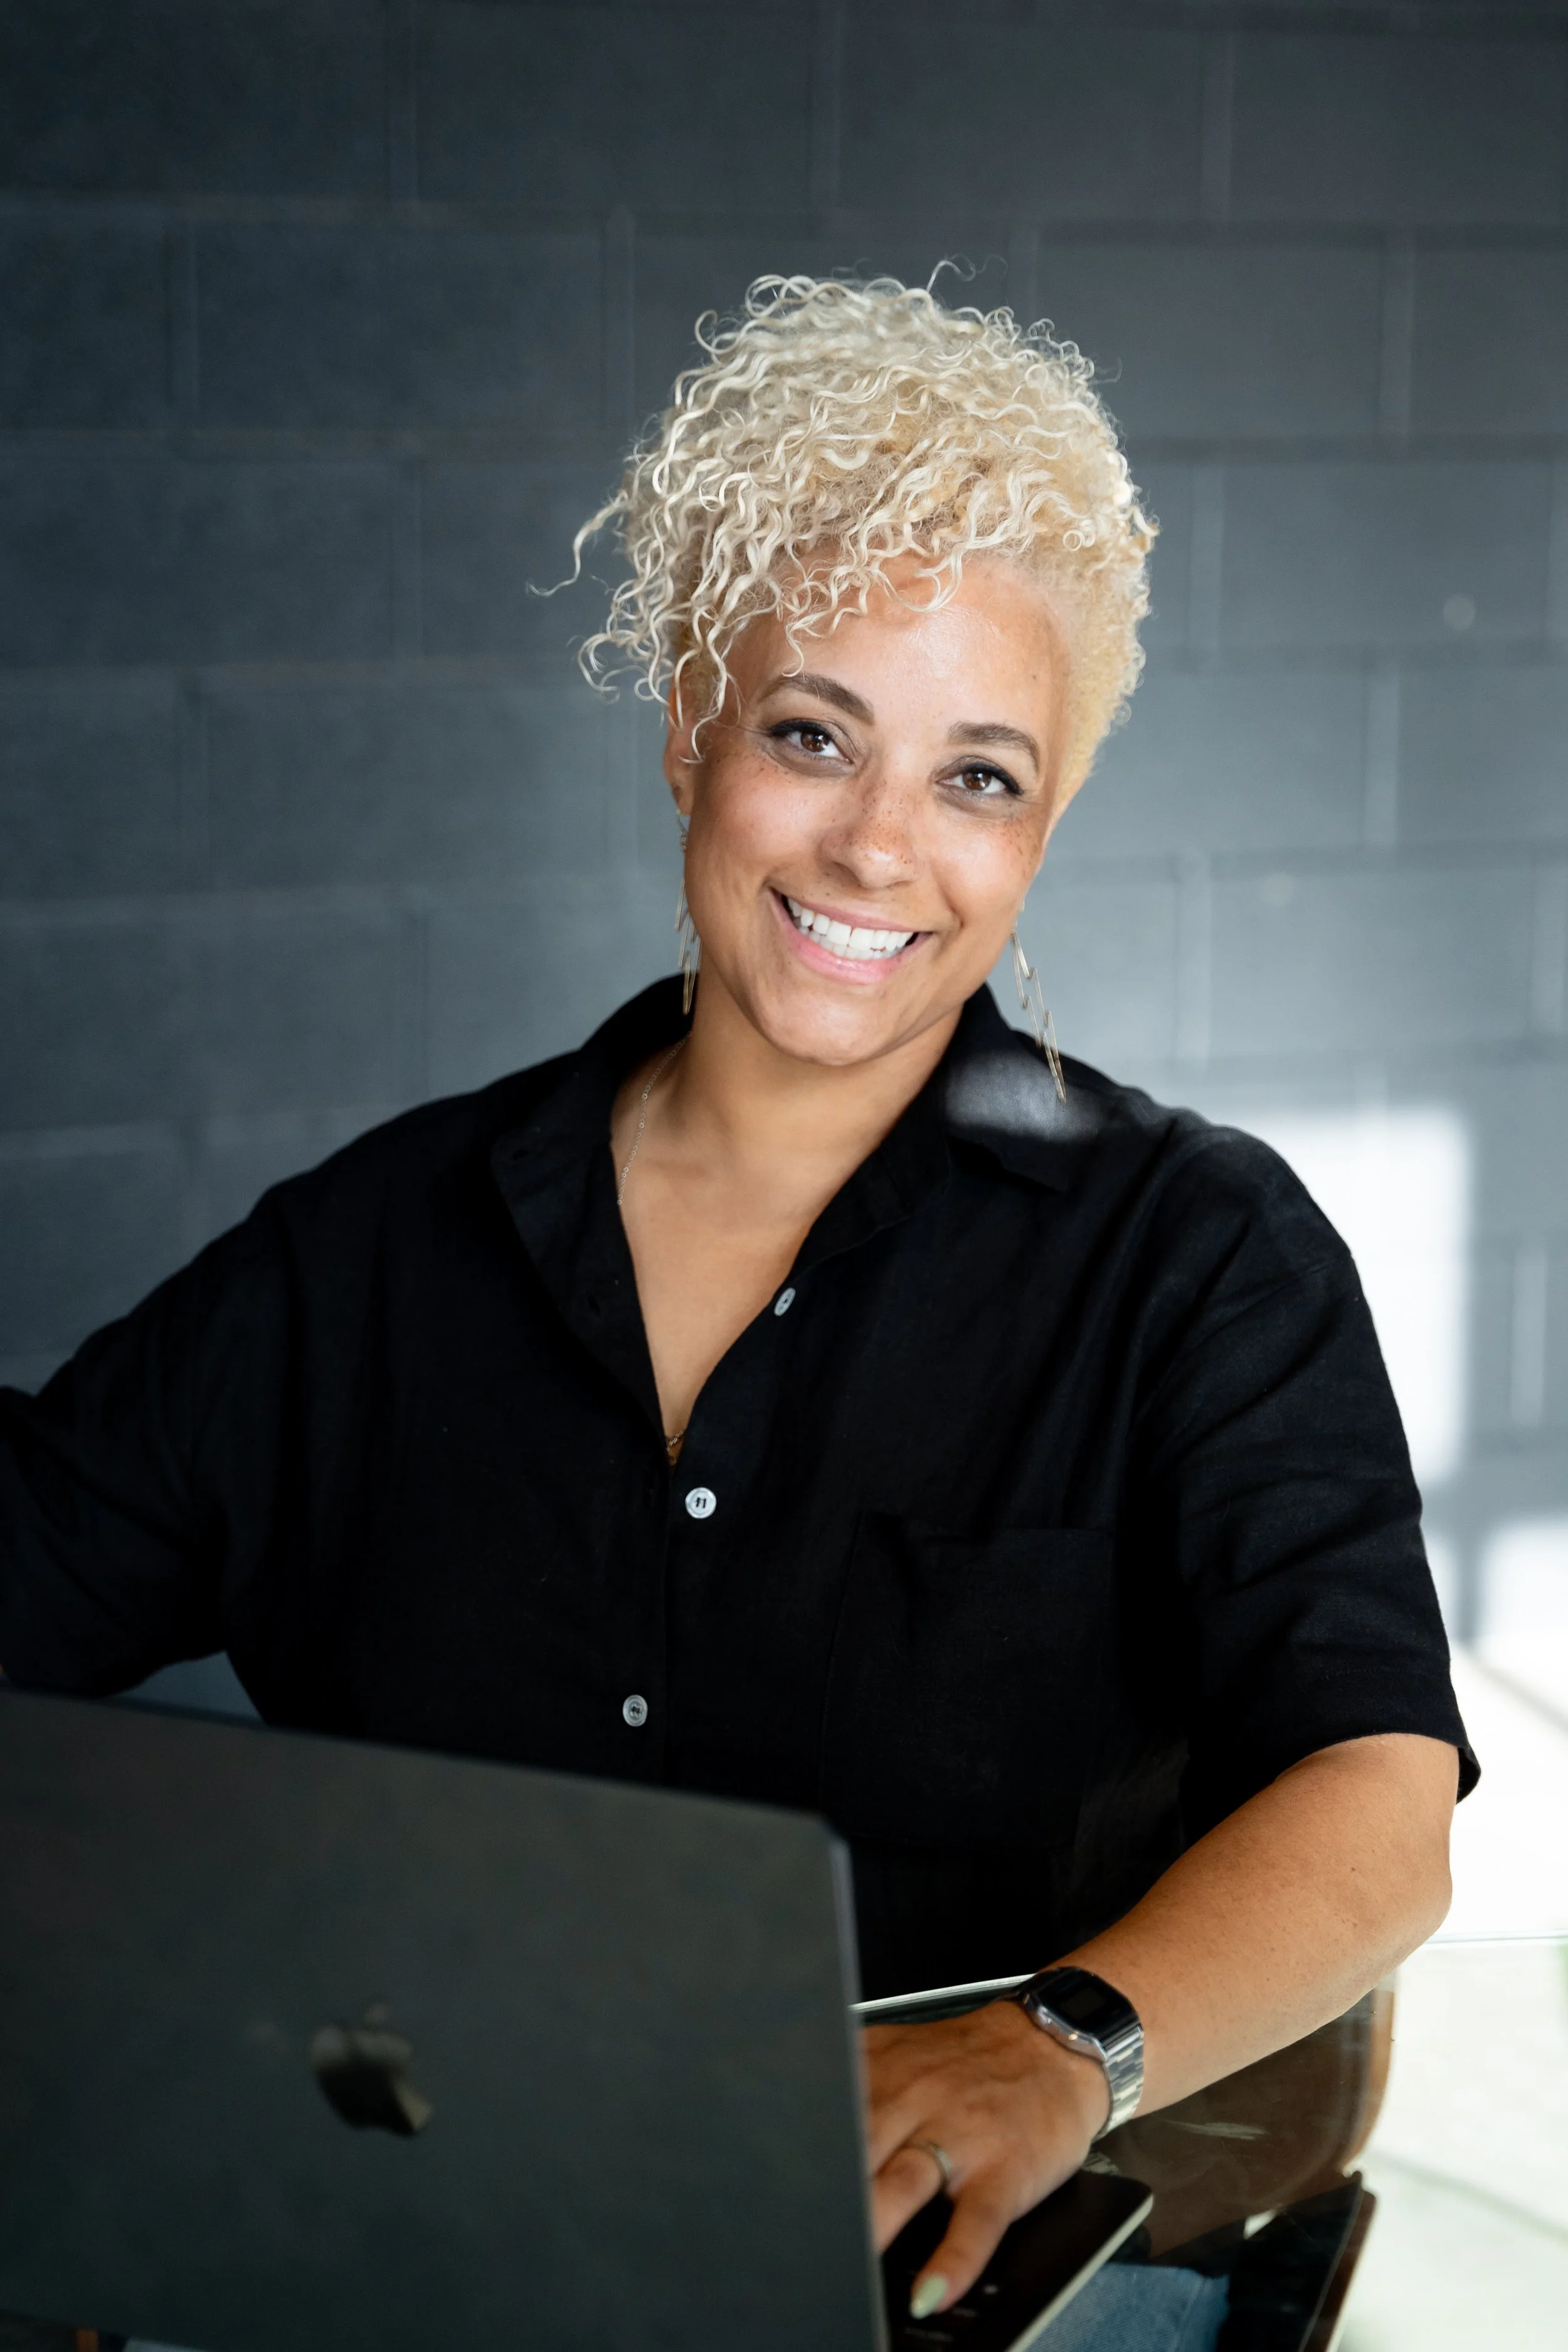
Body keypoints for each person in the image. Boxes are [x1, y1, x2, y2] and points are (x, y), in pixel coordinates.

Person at [0, 277, 1471, 2338]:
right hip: (419, 2247)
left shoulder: (1193, 1251)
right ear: (691, 725)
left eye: (977, 777)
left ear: (1044, 825)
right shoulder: (372, 1249)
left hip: (969, 2277)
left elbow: (1379, 1797)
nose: (879, 844)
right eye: (811, 736)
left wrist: (1064, 2045)